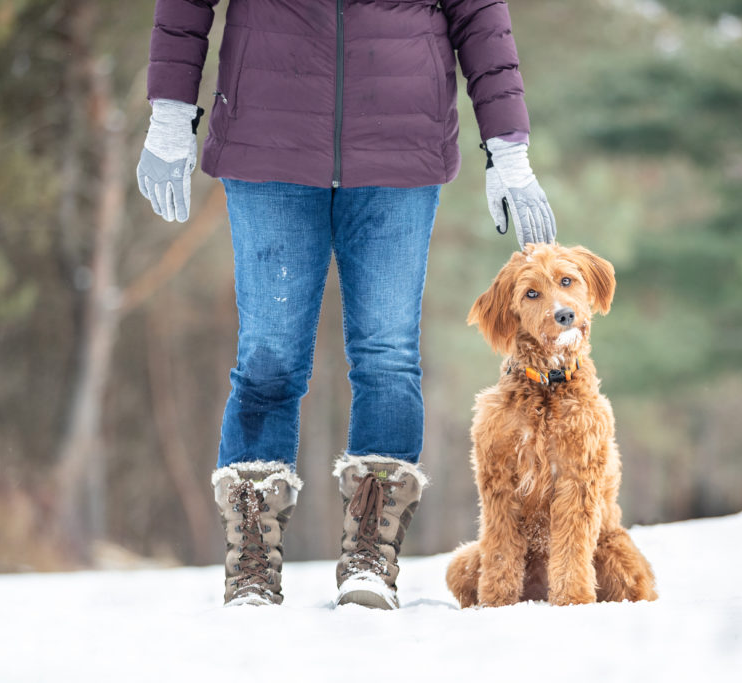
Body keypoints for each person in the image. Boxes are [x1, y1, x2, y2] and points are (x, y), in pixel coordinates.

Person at [137, 0, 556, 609]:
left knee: (387, 357)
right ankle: (252, 557)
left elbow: (480, 15)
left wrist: (508, 147)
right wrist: (170, 113)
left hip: (399, 147)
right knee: (268, 359)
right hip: (267, 142)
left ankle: (370, 554)